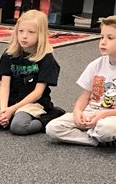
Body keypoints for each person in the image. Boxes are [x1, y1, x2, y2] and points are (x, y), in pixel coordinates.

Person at [0, 10, 60, 134]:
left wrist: (12, 109)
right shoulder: (9, 54)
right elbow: (4, 86)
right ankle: (8, 117)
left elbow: (38, 93)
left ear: (41, 34)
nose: (24, 36)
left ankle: (49, 117)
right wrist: (3, 110)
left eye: (31, 32)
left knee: (18, 127)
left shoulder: (46, 58)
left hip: (32, 102)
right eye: (21, 31)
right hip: (10, 99)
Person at [46, 14, 116, 146]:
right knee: (53, 128)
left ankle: (100, 134)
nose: (103, 42)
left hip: (110, 117)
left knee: (106, 128)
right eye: (101, 37)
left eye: (110, 38)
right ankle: (96, 140)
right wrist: (78, 112)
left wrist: (103, 115)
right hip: (90, 113)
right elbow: (85, 96)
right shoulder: (96, 65)